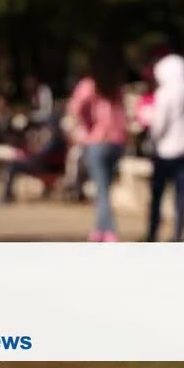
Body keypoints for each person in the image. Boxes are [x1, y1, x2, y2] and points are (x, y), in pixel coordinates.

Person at [66, 54, 129, 242]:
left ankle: (109, 230)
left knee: (101, 190)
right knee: (105, 188)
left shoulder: (89, 85)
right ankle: (99, 229)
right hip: (117, 141)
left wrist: (85, 128)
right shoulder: (116, 88)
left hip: (98, 140)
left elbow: (74, 108)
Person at [146, 52, 184, 242]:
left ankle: (153, 231)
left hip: (165, 151)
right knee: (181, 195)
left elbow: (159, 123)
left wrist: (152, 139)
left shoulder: (165, 93)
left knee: (158, 195)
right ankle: (179, 233)